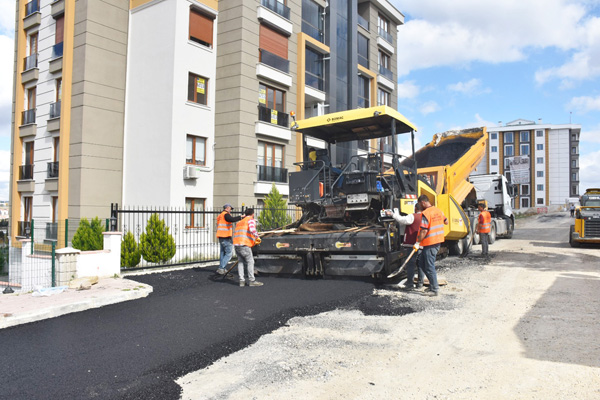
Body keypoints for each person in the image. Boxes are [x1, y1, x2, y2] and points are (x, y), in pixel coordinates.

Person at [386, 203, 425, 290]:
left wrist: (393, 214)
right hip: (422, 244)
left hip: (412, 244)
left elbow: (402, 220)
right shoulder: (425, 217)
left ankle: (410, 284)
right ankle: (420, 283)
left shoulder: (412, 216)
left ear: (415, 208)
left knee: (411, 264)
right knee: (420, 264)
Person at [415, 194, 448, 297]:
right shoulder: (438, 211)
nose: (420, 206)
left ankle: (434, 289)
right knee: (422, 263)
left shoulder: (426, 214)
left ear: (423, 202)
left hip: (430, 243)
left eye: (420, 204)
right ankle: (432, 285)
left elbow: (424, 231)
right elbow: (446, 222)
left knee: (429, 266)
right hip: (437, 241)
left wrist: (417, 242)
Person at [233, 208, 263, 287]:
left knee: (240, 262)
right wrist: (257, 237)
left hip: (236, 244)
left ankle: (241, 281)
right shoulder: (250, 220)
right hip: (244, 244)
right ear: (253, 214)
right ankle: (252, 280)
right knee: (250, 261)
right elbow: (252, 229)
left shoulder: (240, 222)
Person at [215, 203, 243, 275]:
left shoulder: (220, 215)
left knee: (222, 253)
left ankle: (222, 268)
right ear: (227, 208)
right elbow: (231, 219)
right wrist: (241, 217)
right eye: (230, 209)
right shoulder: (225, 214)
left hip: (221, 236)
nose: (230, 210)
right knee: (229, 253)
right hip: (225, 237)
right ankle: (221, 268)